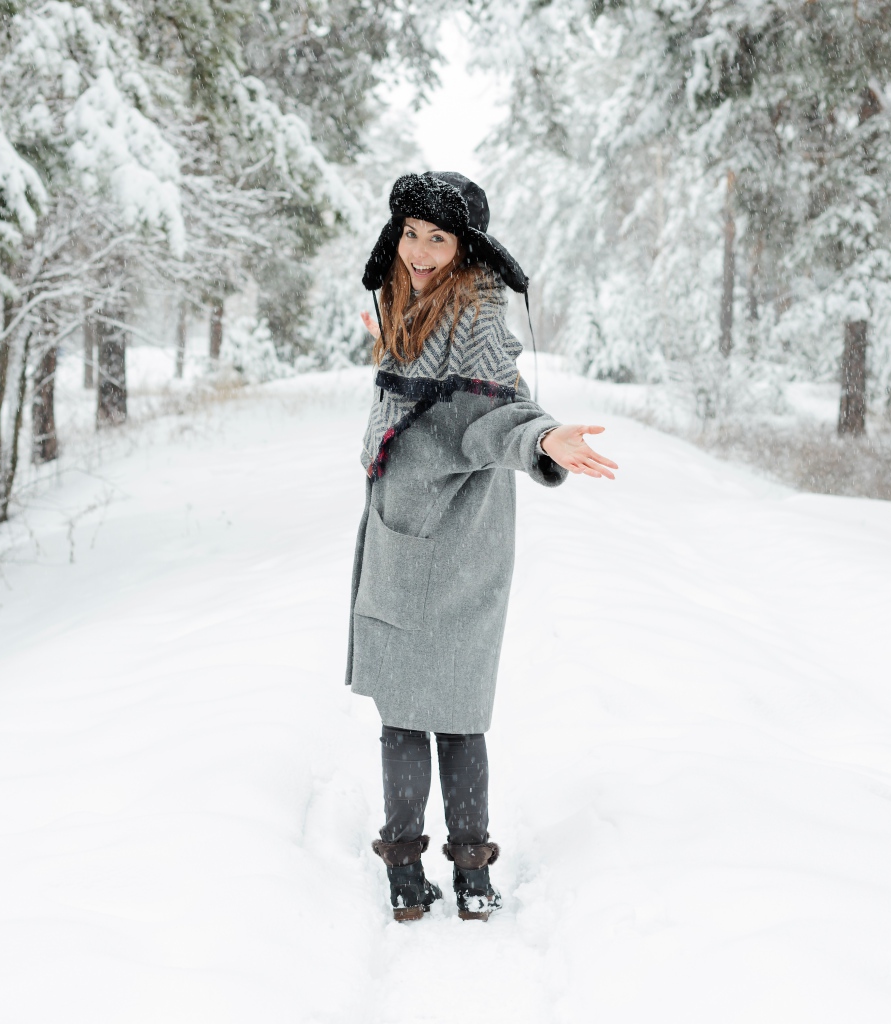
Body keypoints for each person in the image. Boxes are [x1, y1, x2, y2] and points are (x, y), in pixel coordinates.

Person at [346, 172, 617, 923]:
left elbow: (502, 415)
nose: (421, 250)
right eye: (410, 233)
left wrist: (545, 439)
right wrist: (391, 345)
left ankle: (462, 872)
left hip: (458, 540)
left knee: (453, 714)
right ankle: (420, 874)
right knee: (409, 714)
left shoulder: (478, 319)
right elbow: (420, 389)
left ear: (466, 247)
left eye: (438, 237)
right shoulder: (407, 305)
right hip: (404, 533)